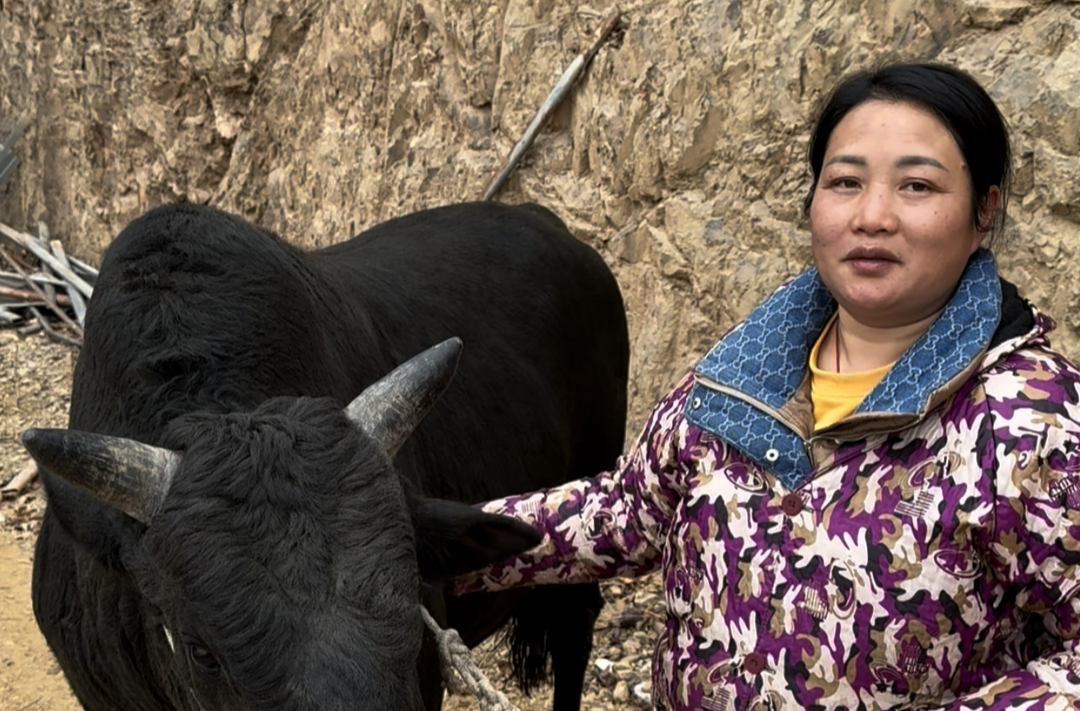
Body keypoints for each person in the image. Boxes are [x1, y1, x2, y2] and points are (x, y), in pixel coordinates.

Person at [451, 61, 1080, 710]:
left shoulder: (1032, 423)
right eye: (845, 181)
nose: (872, 215)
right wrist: (433, 538)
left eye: (917, 185)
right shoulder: (748, 372)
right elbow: (628, 513)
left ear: (984, 211)